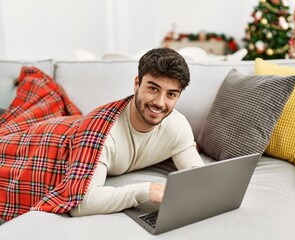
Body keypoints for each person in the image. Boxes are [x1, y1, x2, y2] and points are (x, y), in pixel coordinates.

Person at [69, 48, 204, 216]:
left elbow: (199, 178)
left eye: (171, 94)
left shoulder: (177, 126)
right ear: (136, 83)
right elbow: (80, 204)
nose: (160, 103)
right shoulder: (101, 134)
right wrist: (144, 192)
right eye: (153, 89)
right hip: (59, 135)